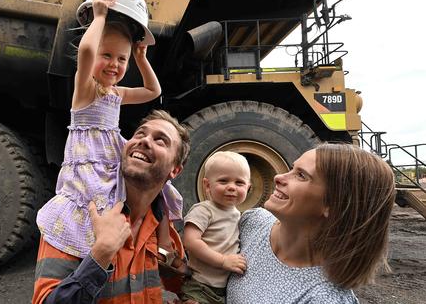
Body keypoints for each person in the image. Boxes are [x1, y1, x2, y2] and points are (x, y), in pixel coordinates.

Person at [36, 0, 183, 262]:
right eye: (107, 56)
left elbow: (154, 91)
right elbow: (86, 54)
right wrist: (100, 17)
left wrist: (140, 58)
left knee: (161, 185)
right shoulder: (86, 90)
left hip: (113, 159)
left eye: (121, 58)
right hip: (90, 166)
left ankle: (164, 240)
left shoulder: (117, 93)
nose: (114, 64)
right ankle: (90, 253)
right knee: (93, 209)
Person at [32, 109, 191, 304]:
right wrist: (101, 254)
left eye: (160, 140)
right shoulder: (75, 216)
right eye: (140, 133)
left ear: (175, 170)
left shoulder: (162, 225)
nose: (145, 140)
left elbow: (186, 287)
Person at [227, 143, 396, 303]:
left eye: (301, 175)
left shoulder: (323, 298)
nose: (278, 177)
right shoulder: (253, 222)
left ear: (334, 204)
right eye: (292, 168)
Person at [180, 152, 251, 304]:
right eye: (223, 181)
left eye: (239, 183)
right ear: (207, 185)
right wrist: (223, 260)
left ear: (248, 187)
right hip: (199, 285)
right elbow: (190, 241)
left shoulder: (240, 216)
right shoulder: (204, 210)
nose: (231, 187)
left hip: (225, 290)